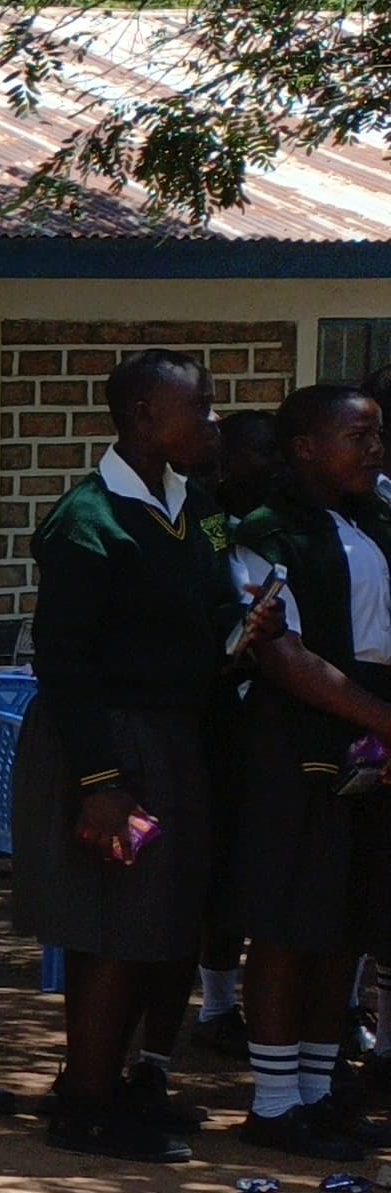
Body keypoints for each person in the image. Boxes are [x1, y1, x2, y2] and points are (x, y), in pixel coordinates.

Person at [20, 349, 246, 1162]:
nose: (214, 421)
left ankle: (114, 1085)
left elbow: (211, 615)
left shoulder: (189, 507)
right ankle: (83, 1104)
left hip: (175, 734)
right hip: (112, 741)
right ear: (147, 416)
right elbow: (65, 661)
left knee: (157, 924)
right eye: (204, 407)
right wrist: (101, 781)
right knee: (112, 926)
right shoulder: (90, 521)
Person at [219, 386, 391, 1153]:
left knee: (344, 922)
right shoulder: (269, 531)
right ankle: (276, 1100)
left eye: (378, 436)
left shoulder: (374, 519)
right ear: (306, 448)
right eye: (359, 436)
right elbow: (281, 655)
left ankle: (320, 1088)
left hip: (371, 747)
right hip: (301, 744)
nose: (375, 450)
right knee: (290, 923)